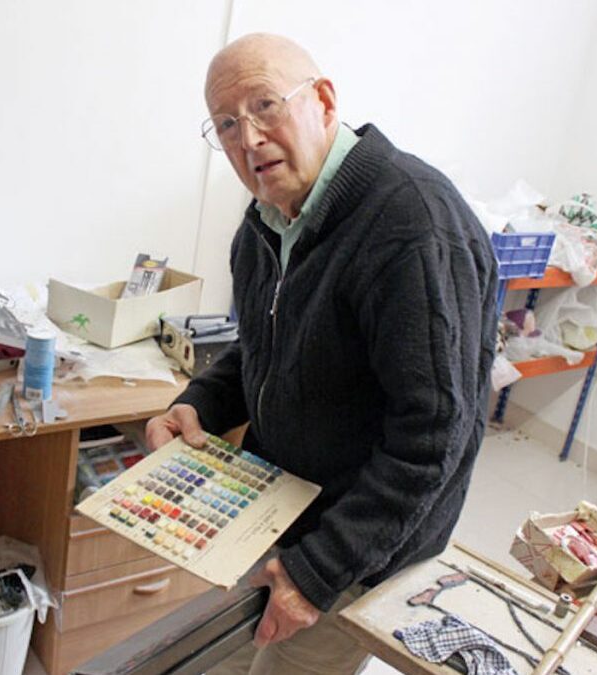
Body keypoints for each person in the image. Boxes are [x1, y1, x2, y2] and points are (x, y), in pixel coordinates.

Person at [146, 33, 498, 675]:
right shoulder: (266, 221)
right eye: (226, 124)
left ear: (325, 102)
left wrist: (319, 571)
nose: (248, 138)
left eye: (265, 106)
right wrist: (196, 401)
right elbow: (265, 349)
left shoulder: (412, 225)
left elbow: (433, 437)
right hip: (280, 505)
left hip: (360, 541)